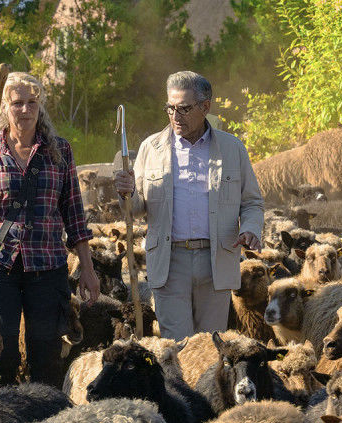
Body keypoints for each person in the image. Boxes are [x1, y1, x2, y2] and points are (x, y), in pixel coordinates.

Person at [0, 72, 101, 387]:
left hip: (47, 263)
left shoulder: (59, 151)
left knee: (47, 351)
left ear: (40, 106)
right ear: (4, 107)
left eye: (31, 102)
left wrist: (87, 269)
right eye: (17, 103)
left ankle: (44, 414)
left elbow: (74, 212)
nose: (24, 110)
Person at [113, 71, 264, 340]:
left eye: (183, 108)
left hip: (216, 260)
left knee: (211, 344)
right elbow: (135, 209)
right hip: (169, 263)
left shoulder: (233, 149)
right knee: (176, 344)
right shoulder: (151, 148)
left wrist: (251, 228)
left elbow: (251, 202)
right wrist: (127, 192)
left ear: (205, 107)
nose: (175, 116)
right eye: (169, 108)